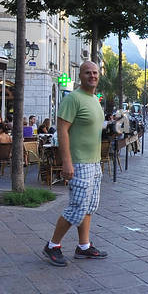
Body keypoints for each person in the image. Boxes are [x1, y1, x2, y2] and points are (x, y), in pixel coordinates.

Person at [46, 67, 109, 265]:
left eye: (95, 73)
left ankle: (84, 246)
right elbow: (62, 130)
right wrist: (66, 161)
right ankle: (52, 245)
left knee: (89, 207)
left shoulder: (95, 100)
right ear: (80, 75)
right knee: (76, 208)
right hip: (79, 163)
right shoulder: (73, 98)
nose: (93, 76)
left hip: (94, 163)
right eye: (88, 72)